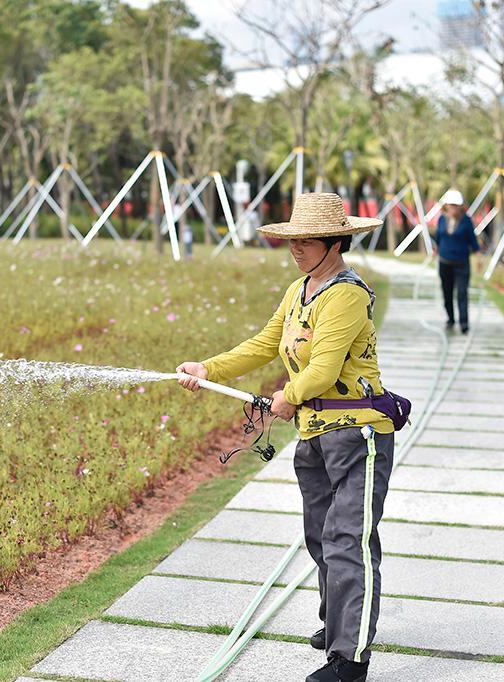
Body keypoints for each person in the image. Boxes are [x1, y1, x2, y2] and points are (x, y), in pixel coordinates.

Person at [176, 193, 394, 682]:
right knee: (320, 535)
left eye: (306, 241)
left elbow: (324, 370)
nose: (295, 248)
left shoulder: (346, 295)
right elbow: (264, 344)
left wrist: (288, 395)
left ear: (335, 243)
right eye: (292, 240)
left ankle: (350, 660)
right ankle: (336, 623)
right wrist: (208, 367)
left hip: (357, 435)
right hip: (314, 435)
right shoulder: (300, 290)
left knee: (348, 540)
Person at [434, 189, 479, 334]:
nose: (453, 208)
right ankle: (450, 318)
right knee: (447, 292)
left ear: (460, 206)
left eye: (456, 205)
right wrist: (436, 250)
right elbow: (439, 238)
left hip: (461, 263)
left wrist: (478, 256)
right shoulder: (442, 219)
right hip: (445, 262)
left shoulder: (466, 221)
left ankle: (464, 323)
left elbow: (472, 240)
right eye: (451, 205)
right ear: (446, 205)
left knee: (462, 293)